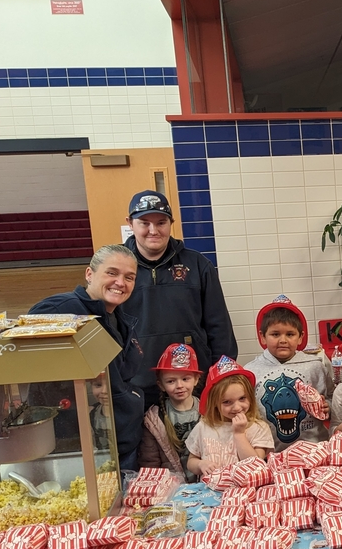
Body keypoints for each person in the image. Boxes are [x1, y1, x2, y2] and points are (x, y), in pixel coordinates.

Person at [30, 244, 145, 471]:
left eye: (129, 277)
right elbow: (28, 346)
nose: (120, 283)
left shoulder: (119, 318)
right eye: (112, 273)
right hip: (78, 442)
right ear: (89, 274)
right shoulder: (63, 310)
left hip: (119, 439)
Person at [122, 190, 238, 409]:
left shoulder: (197, 265)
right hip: (136, 385)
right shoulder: (118, 267)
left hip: (193, 383)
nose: (153, 230)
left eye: (161, 222)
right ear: (130, 223)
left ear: (171, 223)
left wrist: (222, 375)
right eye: (144, 223)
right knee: (145, 443)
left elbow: (219, 326)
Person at [245, 296, 332, 450]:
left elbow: (332, 398)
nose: (283, 340)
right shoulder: (250, 371)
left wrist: (328, 407)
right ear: (262, 336)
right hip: (270, 452)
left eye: (290, 334)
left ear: (300, 338)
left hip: (315, 448)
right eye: (275, 334)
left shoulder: (316, 366)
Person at [186, 356, 273, 477]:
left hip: (245, 492)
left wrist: (239, 434)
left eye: (242, 398)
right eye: (227, 402)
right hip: (210, 491)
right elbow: (191, 462)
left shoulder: (259, 428)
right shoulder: (204, 426)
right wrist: (200, 464)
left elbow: (255, 467)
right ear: (214, 403)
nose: (237, 407)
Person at [140, 343, 202, 482]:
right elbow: (150, 462)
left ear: (196, 379)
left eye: (185, 379)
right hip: (171, 488)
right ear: (161, 384)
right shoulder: (154, 420)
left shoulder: (209, 411)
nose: (179, 386)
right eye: (171, 381)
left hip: (206, 484)